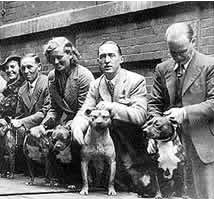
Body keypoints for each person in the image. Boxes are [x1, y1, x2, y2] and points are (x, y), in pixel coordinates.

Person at [71, 40, 150, 193]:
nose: (107, 60)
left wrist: (112, 106)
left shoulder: (135, 80)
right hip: (102, 140)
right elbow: (84, 112)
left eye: (111, 55)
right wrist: (77, 128)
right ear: (98, 61)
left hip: (128, 143)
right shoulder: (96, 84)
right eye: (102, 56)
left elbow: (140, 115)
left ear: (121, 59)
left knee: (139, 187)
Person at [147, 23, 214, 198]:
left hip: (201, 145)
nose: (177, 57)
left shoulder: (210, 65)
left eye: (182, 51)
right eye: (172, 52)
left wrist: (184, 112)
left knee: (204, 194)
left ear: (194, 41)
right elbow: (154, 104)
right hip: (168, 147)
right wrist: (155, 130)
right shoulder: (162, 69)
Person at [41, 37, 94, 128]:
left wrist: (68, 126)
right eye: (52, 58)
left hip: (85, 123)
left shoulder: (84, 76)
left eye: (59, 57)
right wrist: (43, 125)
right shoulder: (52, 77)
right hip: (67, 123)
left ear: (69, 54)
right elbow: (54, 108)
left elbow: (84, 111)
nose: (56, 62)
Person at [11, 53, 51, 130]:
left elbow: (45, 112)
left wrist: (21, 122)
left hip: (45, 129)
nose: (26, 71)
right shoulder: (22, 90)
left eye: (29, 67)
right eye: (23, 68)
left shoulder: (47, 83)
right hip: (28, 132)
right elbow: (19, 115)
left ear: (39, 67)